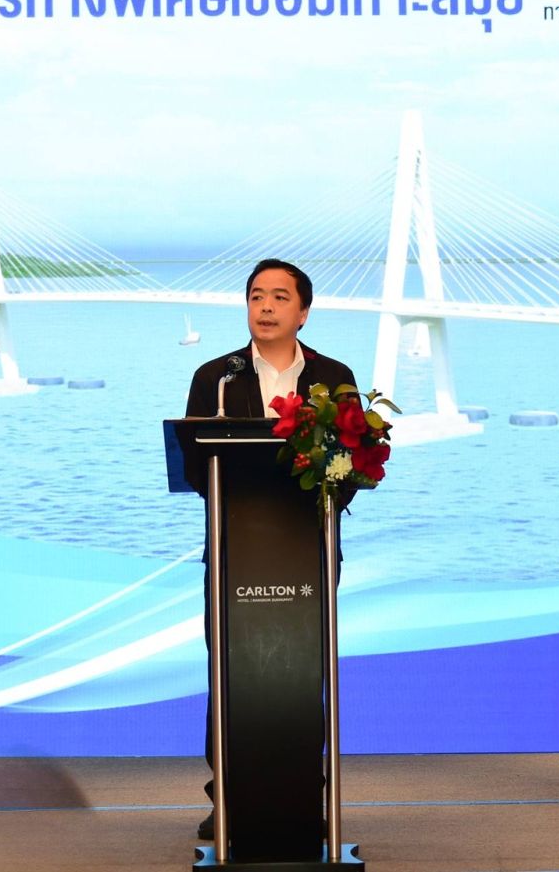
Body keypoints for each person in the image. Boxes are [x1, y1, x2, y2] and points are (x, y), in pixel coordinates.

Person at [184, 258, 356, 842]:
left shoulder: (333, 377)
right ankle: (229, 803)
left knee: (302, 676)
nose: (265, 306)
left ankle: (305, 800)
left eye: (280, 297)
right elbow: (196, 465)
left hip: (308, 549)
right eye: (256, 295)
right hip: (235, 551)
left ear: (303, 312)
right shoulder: (217, 378)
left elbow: (350, 463)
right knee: (231, 676)